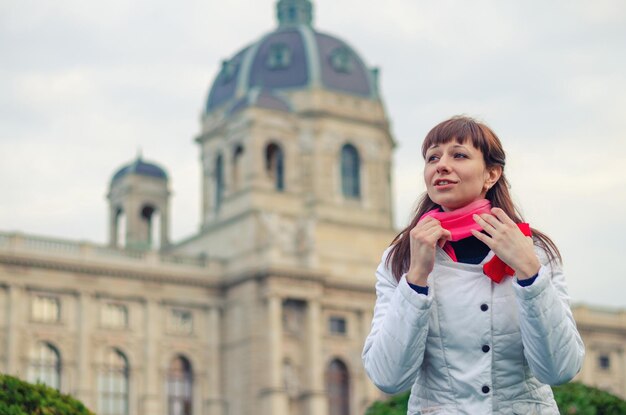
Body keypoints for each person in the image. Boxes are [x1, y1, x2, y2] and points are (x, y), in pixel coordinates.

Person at [362, 116, 584, 414]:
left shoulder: (535, 251)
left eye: (459, 155)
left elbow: (561, 369)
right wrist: (416, 279)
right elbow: (387, 378)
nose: (441, 165)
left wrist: (530, 274)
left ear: (491, 174)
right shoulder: (401, 258)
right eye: (432, 157)